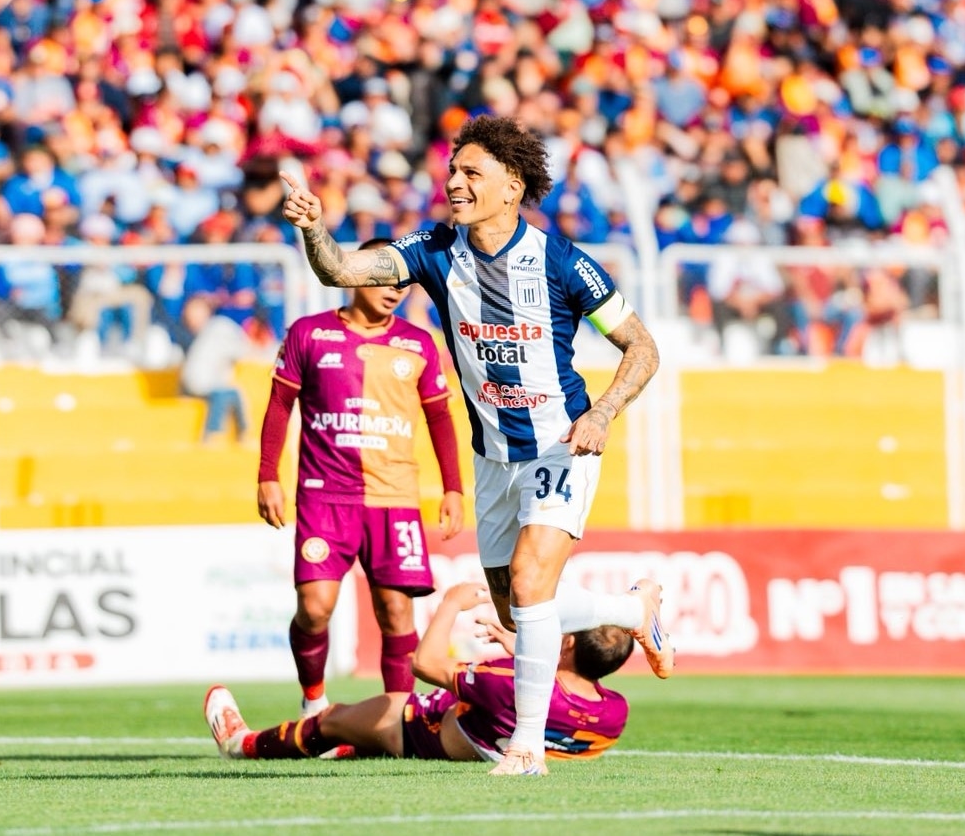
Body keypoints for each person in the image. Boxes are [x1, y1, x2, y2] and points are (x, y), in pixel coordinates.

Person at [278, 114, 671, 777]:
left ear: (512, 186)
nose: (454, 183)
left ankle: (524, 746)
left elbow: (643, 348)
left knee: (528, 582)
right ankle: (632, 609)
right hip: (493, 457)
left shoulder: (561, 261)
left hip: (560, 445)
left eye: (470, 173)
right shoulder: (434, 249)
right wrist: (314, 226)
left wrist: (602, 412)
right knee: (520, 609)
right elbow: (341, 268)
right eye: (452, 171)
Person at [257, 238, 465, 718]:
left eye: (403, 282)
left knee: (396, 613)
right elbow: (278, 406)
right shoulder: (309, 334)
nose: (395, 290)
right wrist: (268, 475)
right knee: (315, 607)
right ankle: (314, 704)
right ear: (352, 275)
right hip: (324, 496)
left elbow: (440, 420)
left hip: (395, 499)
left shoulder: (418, 344)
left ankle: (397, 718)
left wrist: (453, 487)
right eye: (383, 279)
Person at [204, 581, 633, 764]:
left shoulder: (508, 683)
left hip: (421, 729)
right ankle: (356, 743)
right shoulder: (615, 713)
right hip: (483, 732)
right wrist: (522, 649)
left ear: (569, 644)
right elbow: (555, 698)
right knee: (353, 733)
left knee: (332, 718)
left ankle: (240, 744)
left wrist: (450, 603)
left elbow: (425, 665)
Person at [180, 295, 250, 443]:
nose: (193, 316)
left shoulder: (218, 329)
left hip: (205, 384)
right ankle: (214, 434)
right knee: (227, 393)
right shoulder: (187, 334)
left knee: (230, 393)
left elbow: (240, 349)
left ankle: (239, 434)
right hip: (196, 385)